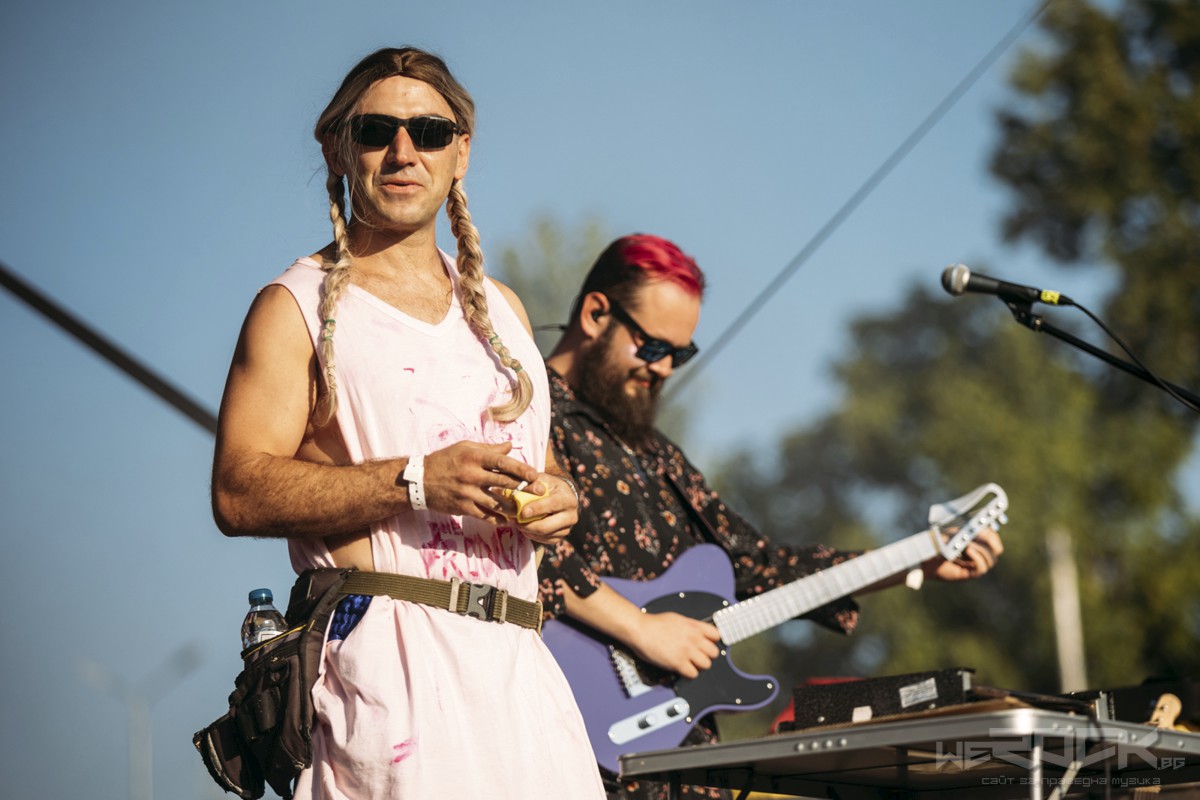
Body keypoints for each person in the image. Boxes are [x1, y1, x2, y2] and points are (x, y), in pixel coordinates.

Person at [211, 47, 605, 799]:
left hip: (523, 673)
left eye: (429, 131)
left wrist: (561, 498)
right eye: (375, 131)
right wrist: (417, 481)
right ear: (336, 148)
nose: (403, 151)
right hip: (390, 679)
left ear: (461, 153)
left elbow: (545, 465)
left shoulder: (504, 311)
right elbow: (236, 492)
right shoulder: (292, 307)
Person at [538, 234, 1004, 800]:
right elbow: (516, 550)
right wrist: (641, 629)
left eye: (680, 355)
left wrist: (916, 560)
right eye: (653, 346)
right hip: (562, 741)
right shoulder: (526, 413)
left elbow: (759, 565)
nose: (664, 369)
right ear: (596, 314)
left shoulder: (656, 453)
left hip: (678, 758)